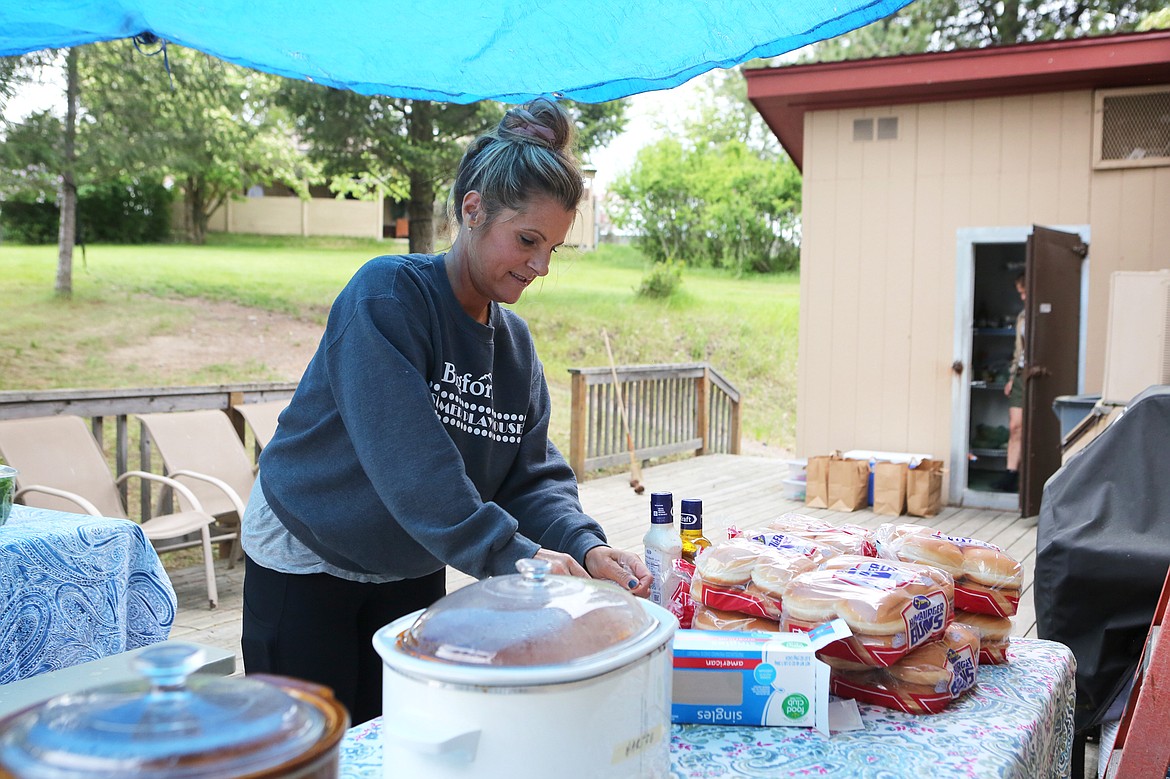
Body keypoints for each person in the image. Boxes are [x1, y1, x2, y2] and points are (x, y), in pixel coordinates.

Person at [239, 98, 653, 725]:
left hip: (412, 557)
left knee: (398, 739)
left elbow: (530, 477)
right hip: (309, 551)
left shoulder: (513, 347)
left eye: (554, 249)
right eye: (527, 240)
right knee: (308, 746)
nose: (540, 266)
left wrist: (582, 545)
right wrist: (511, 554)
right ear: (473, 209)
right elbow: (412, 466)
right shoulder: (387, 296)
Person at [1002, 273, 1027, 491]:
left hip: (1036, 376)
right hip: (1020, 375)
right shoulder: (1022, 316)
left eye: (1024, 291)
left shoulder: (1043, 313)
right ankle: (1010, 474)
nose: (1022, 296)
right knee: (1015, 426)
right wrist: (1012, 377)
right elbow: (1018, 350)